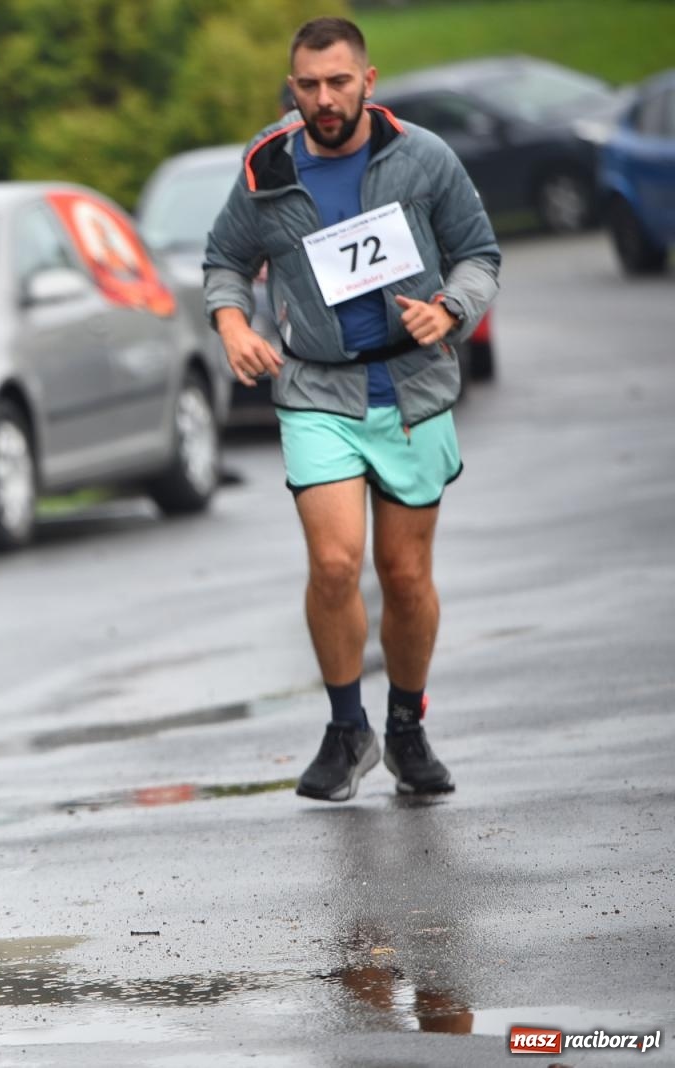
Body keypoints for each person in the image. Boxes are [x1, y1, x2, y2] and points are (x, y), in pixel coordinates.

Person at [203, 17, 500, 802]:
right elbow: (226, 261)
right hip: (314, 390)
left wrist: (452, 310)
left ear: (368, 81)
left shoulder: (423, 157)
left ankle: (406, 725)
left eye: (339, 82)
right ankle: (346, 728)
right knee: (334, 564)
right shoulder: (267, 166)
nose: (324, 99)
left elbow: (479, 253)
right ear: (292, 87)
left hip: (410, 387)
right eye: (309, 85)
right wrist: (233, 324)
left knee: (404, 576)